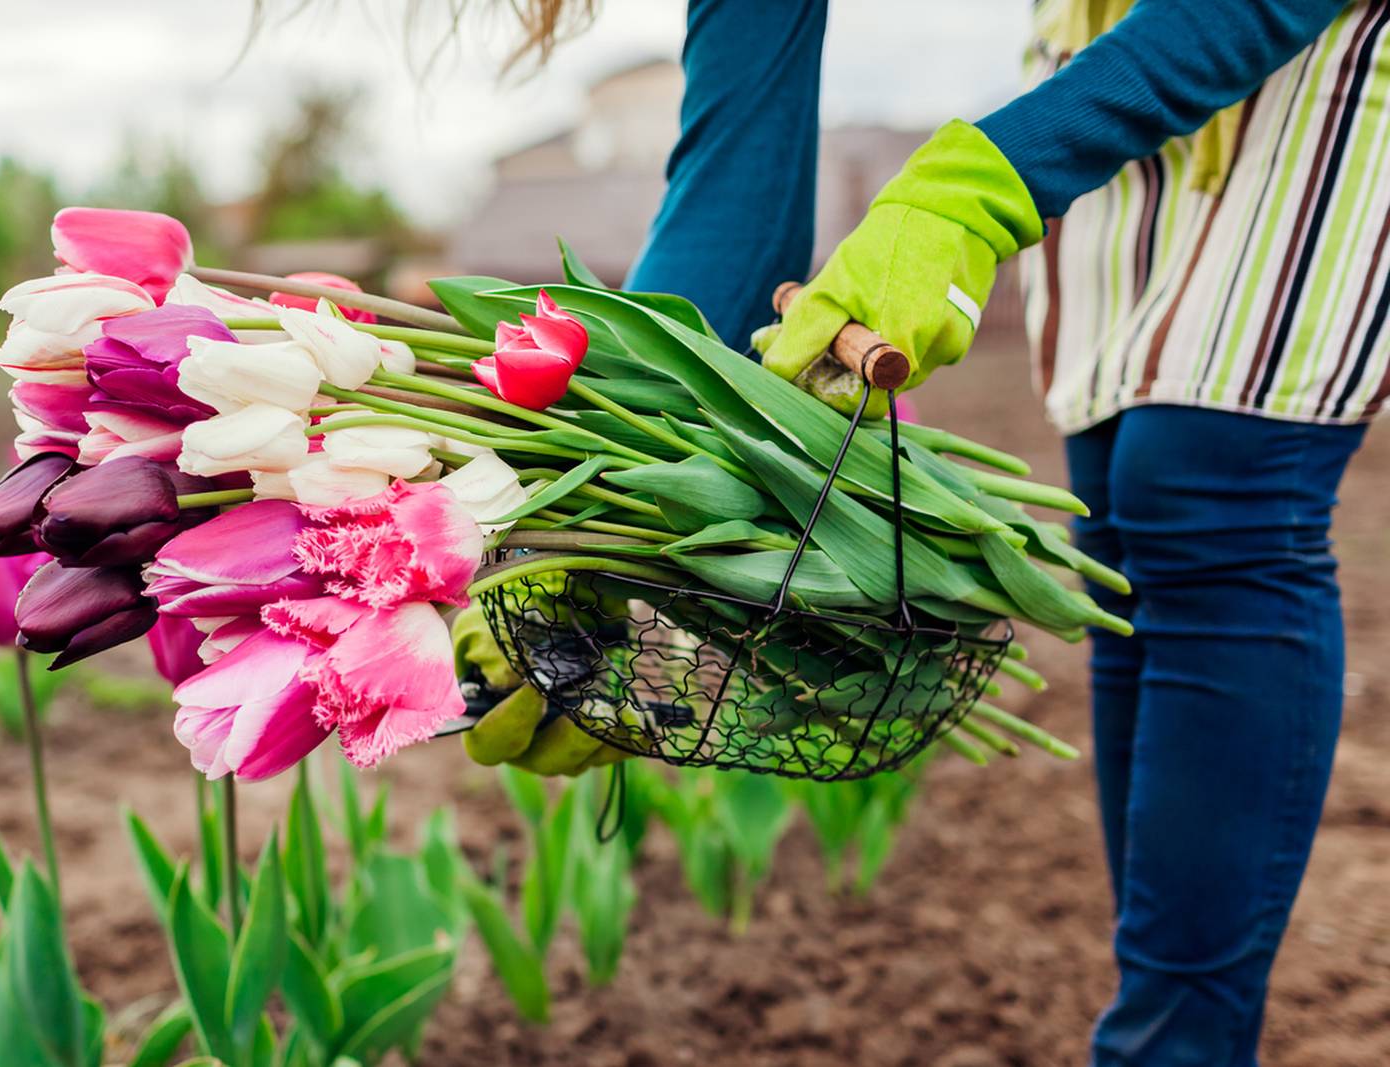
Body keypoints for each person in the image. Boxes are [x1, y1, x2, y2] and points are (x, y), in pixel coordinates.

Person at [428, 1, 1386, 1062]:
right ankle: (1175, 1026)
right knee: (1120, 526)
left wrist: (979, 191)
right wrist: (622, 494)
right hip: (1111, 28)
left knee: (1208, 486)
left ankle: (1174, 1046)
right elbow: (744, 140)